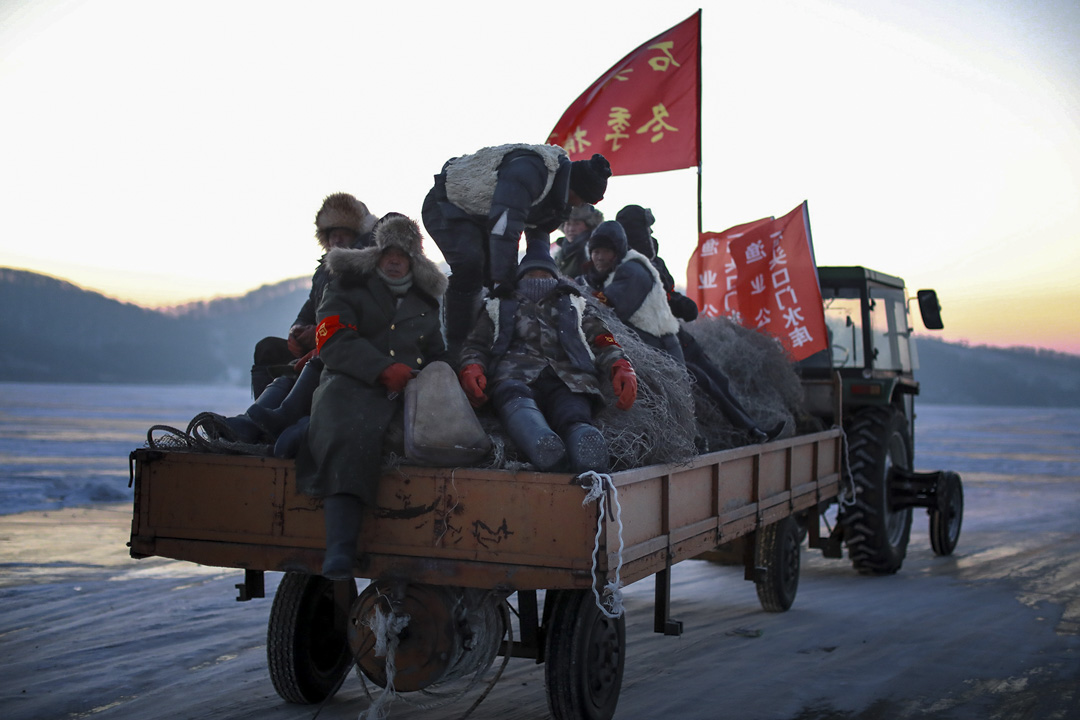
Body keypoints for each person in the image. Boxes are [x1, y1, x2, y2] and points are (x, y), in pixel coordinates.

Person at [294, 213, 448, 580]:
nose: (394, 261)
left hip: (408, 391)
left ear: (414, 259)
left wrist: (450, 375)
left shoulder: (426, 299)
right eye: (387, 253)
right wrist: (380, 368)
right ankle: (341, 549)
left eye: (403, 254)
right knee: (350, 436)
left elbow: (437, 350)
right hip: (349, 386)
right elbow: (332, 339)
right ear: (375, 255)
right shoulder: (347, 286)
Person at [579, 221, 782, 443]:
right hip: (659, 342)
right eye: (595, 251)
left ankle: (719, 435)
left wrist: (584, 293)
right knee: (703, 382)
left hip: (661, 344)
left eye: (605, 251)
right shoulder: (619, 270)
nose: (598, 257)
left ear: (617, 250)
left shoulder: (632, 271)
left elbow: (612, 305)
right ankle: (743, 431)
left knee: (687, 390)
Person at [457, 247, 637, 473]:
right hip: (514, 376)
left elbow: (602, 337)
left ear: (555, 277)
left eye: (545, 276)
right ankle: (542, 443)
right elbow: (476, 343)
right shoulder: (498, 304)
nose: (538, 281)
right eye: (531, 276)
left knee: (573, 409)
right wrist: (472, 366)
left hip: (569, 379)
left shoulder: (575, 304)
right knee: (515, 400)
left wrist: (620, 364)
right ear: (520, 277)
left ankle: (584, 443)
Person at [421, 143, 612, 354]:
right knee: (471, 263)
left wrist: (541, 272)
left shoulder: (561, 199)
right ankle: (457, 346)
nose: (580, 205)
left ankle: (485, 339)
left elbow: (539, 234)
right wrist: (506, 279)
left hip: (485, 216)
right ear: (574, 188)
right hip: (447, 203)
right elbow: (505, 228)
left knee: (489, 276)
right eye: (583, 199)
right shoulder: (529, 172)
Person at [250, 193, 378, 398]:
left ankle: (271, 419)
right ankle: (260, 417)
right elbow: (309, 308)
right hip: (317, 344)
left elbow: (361, 318)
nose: (337, 239)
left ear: (356, 236)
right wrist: (296, 331)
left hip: (341, 348)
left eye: (343, 233)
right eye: (332, 233)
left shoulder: (362, 271)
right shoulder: (322, 273)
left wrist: (319, 333)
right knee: (267, 348)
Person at [553, 203, 603, 278]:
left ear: (589, 226)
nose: (571, 229)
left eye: (577, 224)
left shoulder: (590, 251)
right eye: (568, 224)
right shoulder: (558, 253)